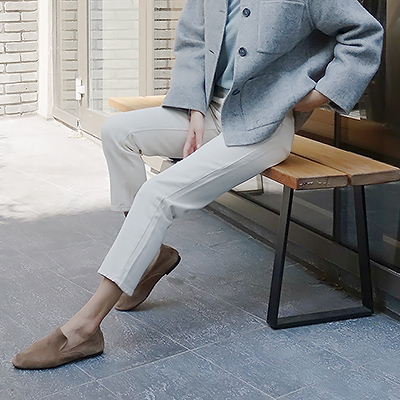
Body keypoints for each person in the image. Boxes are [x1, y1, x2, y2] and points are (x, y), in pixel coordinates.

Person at [13, 0, 383, 369]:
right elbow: (193, 42)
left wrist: (319, 95)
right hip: (211, 110)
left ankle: (85, 328)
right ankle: (150, 256)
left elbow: (364, 34)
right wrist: (194, 110)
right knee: (116, 132)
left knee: (158, 194)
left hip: (265, 124)